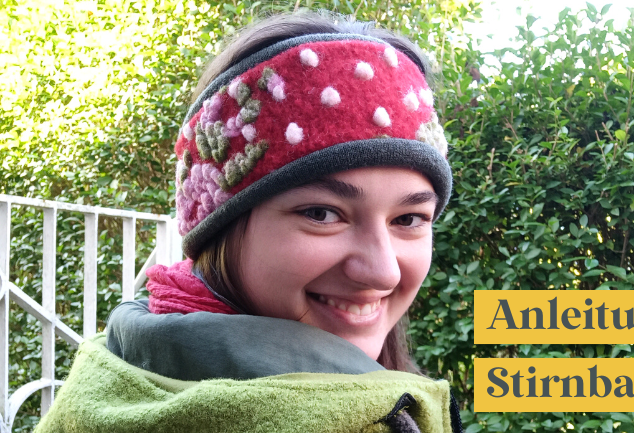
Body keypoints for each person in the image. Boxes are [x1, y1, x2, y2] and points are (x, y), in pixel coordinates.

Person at [36, 12, 459, 433]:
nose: (383, 272)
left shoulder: (112, 370)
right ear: (220, 228)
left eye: (408, 218)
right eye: (321, 214)